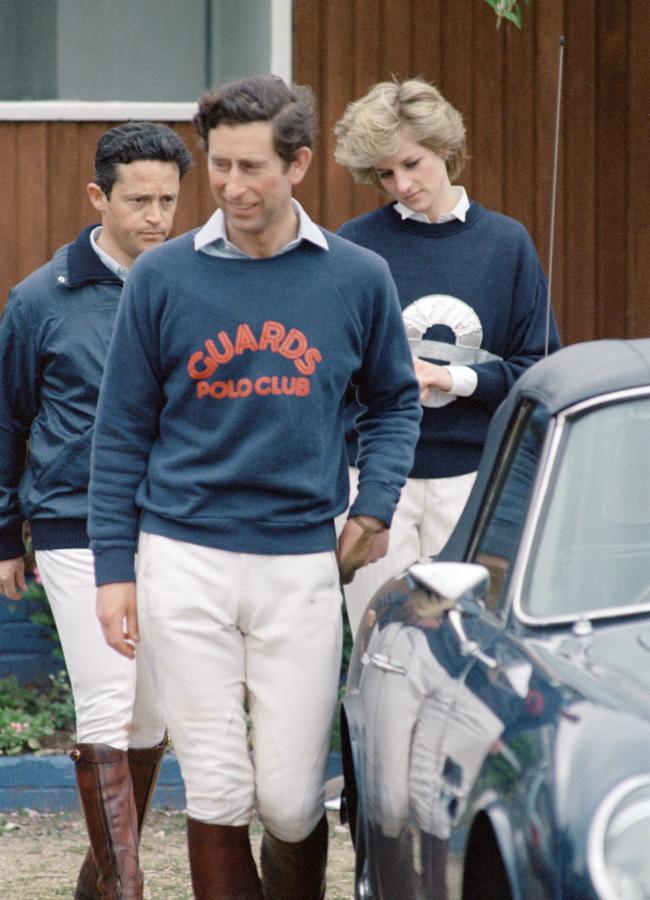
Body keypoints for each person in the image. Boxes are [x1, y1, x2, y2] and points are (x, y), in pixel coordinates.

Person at [87, 75, 421, 899]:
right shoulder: (162, 279)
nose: (232, 187)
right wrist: (113, 571)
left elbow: (395, 399)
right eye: (220, 167)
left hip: (299, 561)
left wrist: (374, 504)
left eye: (252, 168)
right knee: (218, 788)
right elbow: (121, 430)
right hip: (182, 555)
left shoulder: (357, 277)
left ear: (298, 164)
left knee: (291, 798)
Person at [0, 121, 192, 899]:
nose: (156, 216)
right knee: (110, 706)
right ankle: (127, 891)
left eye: (169, 201)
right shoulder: (40, 299)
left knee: (149, 720)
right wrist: (5, 532)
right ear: (97, 198)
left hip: (173, 525)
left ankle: (99, 885)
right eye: (139, 200)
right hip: (74, 522)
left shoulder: (188, 284)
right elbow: (6, 419)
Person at [334, 77, 561, 635]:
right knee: (375, 645)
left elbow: (539, 370)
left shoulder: (506, 244)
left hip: (474, 480)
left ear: (445, 148)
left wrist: (450, 377)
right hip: (370, 479)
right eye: (385, 174)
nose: (402, 184)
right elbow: (327, 374)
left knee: (467, 647)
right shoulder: (356, 244)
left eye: (412, 163)